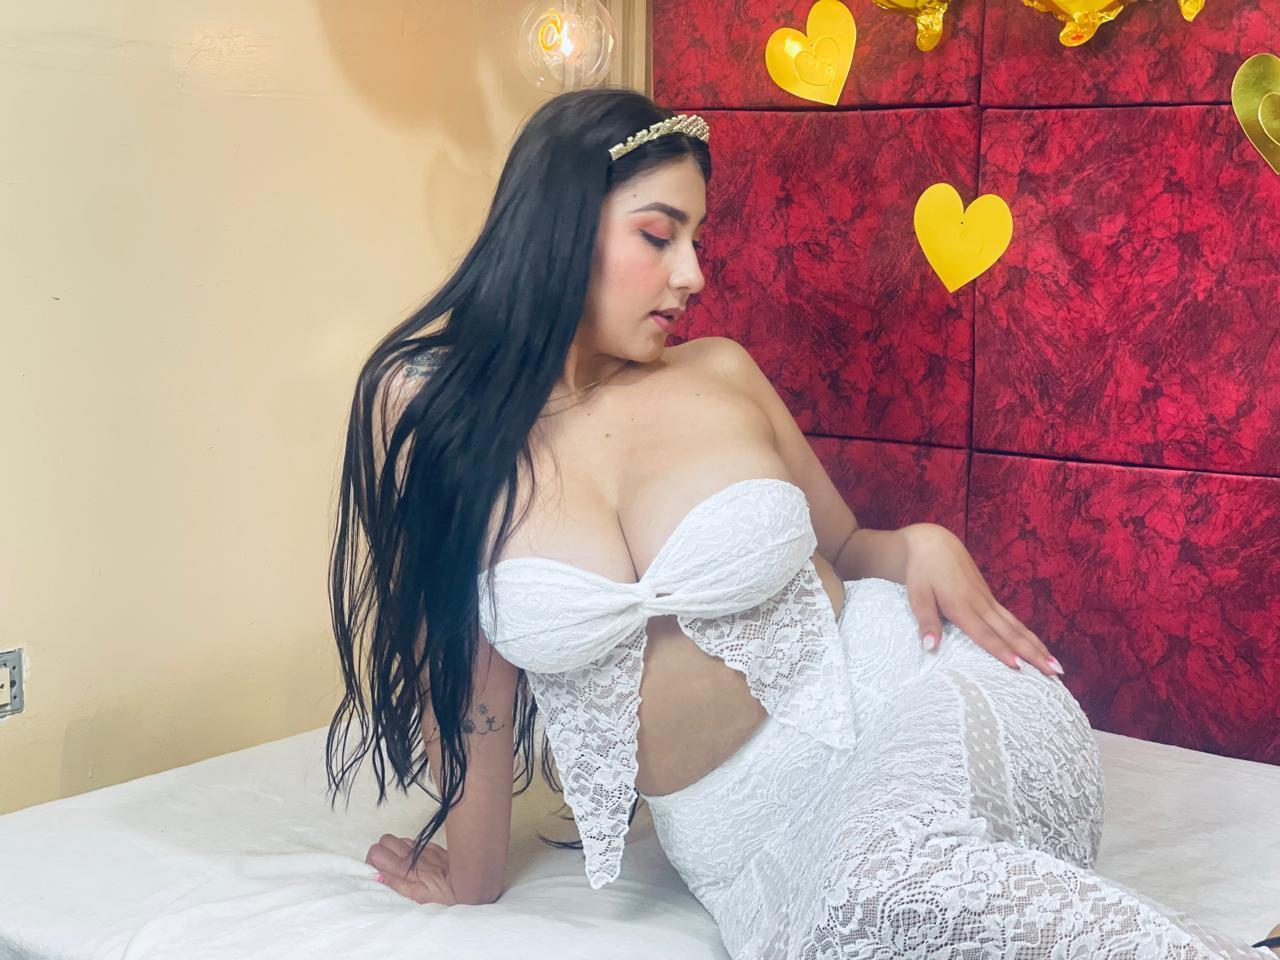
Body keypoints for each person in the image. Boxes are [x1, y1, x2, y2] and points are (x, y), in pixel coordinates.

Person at [324, 87, 1280, 958]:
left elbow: (849, 548)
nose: (693, 273)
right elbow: (471, 681)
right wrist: (474, 874)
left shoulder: (720, 371)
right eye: (659, 235)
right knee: (854, 919)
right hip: (741, 846)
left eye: (697, 238)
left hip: (915, 701)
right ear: (556, 229)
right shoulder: (437, 418)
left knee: (888, 882)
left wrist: (924, 543)